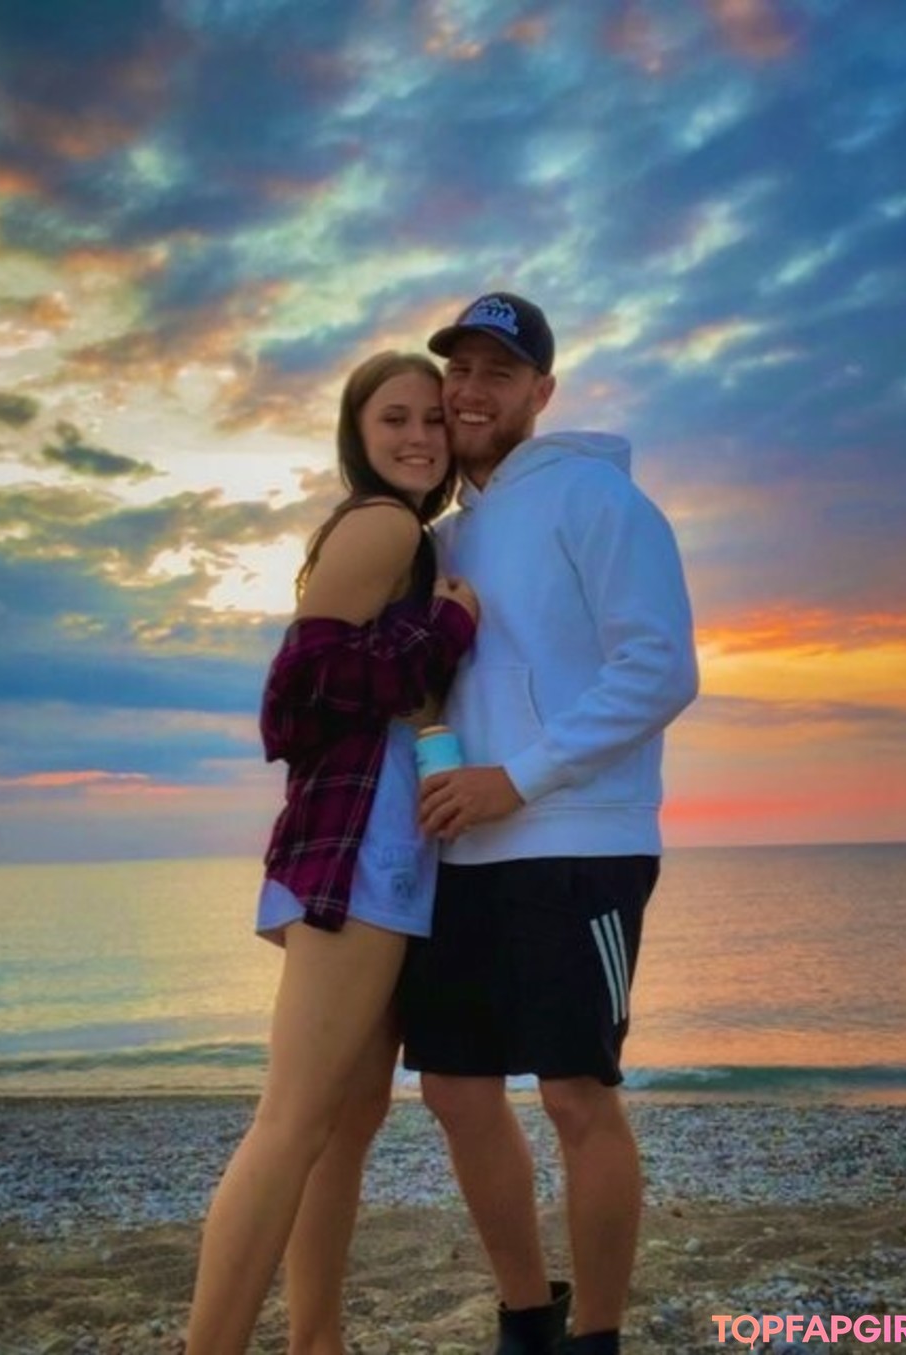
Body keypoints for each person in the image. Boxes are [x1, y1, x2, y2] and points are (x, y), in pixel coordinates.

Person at [398, 293, 699, 1355]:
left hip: (579, 842)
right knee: (453, 1088)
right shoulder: (441, 535)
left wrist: (518, 778)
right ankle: (528, 1315)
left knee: (576, 1092)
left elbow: (660, 668)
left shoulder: (598, 498)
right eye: (459, 368)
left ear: (542, 390)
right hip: (464, 846)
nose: (471, 390)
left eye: (499, 370)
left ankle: (598, 1335)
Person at [185, 350, 479, 1355]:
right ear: (357, 432)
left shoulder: (407, 538)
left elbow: (379, 691)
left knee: (344, 1126)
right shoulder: (386, 522)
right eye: (394, 418)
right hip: (361, 850)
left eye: (434, 419)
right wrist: (447, 628)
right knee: (294, 1122)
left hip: (372, 847)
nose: (419, 437)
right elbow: (298, 687)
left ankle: (318, 1340)